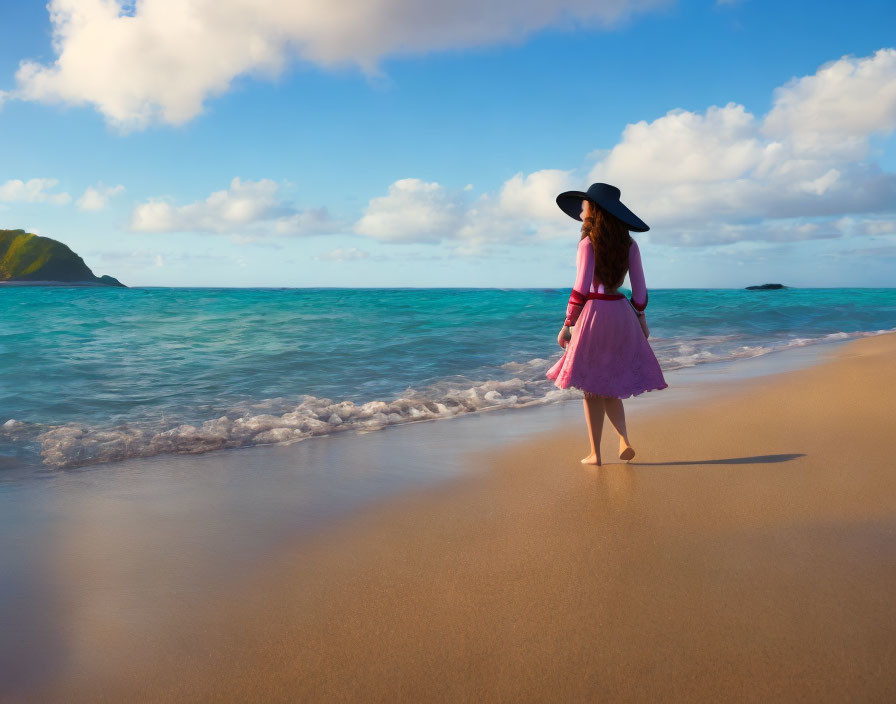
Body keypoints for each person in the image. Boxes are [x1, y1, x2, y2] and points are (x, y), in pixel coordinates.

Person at [545, 183, 668, 466]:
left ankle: (595, 454)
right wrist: (640, 318)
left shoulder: (588, 243)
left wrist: (567, 323)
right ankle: (623, 439)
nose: (580, 210)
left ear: (595, 210)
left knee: (591, 388)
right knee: (610, 384)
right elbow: (640, 292)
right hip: (621, 313)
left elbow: (580, 288)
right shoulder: (630, 244)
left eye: (584, 205)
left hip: (594, 315)